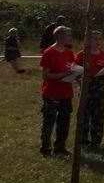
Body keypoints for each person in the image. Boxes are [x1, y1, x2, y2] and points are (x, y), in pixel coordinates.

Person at [39, 26, 76, 156]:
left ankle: (60, 147)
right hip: (52, 93)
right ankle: (46, 149)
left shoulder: (69, 53)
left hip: (66, 93)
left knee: (64, 122)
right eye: (68, 35)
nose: (70, 38)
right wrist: (62, 74)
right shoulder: (49, 52)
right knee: (49, 122)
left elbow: (72, 69)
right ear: (60, 37)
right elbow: (46, 75)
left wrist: (77, 74)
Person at [76, 30, 104, 148]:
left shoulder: (103, 54)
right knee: (85, 114)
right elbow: (75, 71)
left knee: (98, 115)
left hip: (100, 87)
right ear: (89, 40)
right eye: (95, 39)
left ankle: (96, 141)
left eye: (99, 39)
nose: (98, 41)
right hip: (87, 86)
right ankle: (83, 140)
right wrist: (81, 81)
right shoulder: (82, 55)